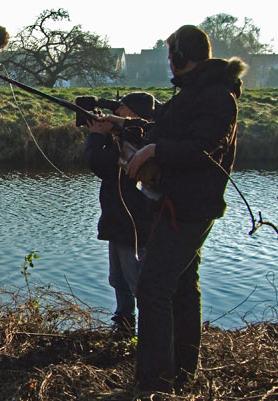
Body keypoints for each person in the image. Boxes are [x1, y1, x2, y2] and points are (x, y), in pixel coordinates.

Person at [103, 25, 247, 395]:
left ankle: (153, 383)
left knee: (152, 289)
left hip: (188, 210)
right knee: (183, 288)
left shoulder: (217, 96)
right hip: (181, 204)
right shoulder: (196, 92)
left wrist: (154, 152)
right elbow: (163, 126)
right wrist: (121, 125)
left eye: (171, 54)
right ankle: (183, 374)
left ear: (184, 57)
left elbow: (204, 148)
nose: (169, 61)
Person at [85, 92, 156, 337]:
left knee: (136, 281)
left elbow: (101, 164)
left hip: (132, 223)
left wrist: (96, 137)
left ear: (135, 114)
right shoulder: (125, 137)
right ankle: (124, 329)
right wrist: (108, 135)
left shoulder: (138, 141)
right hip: (118, 221)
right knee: (118, 279)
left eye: (121, 108)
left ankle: (151, 334)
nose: (116, 112)